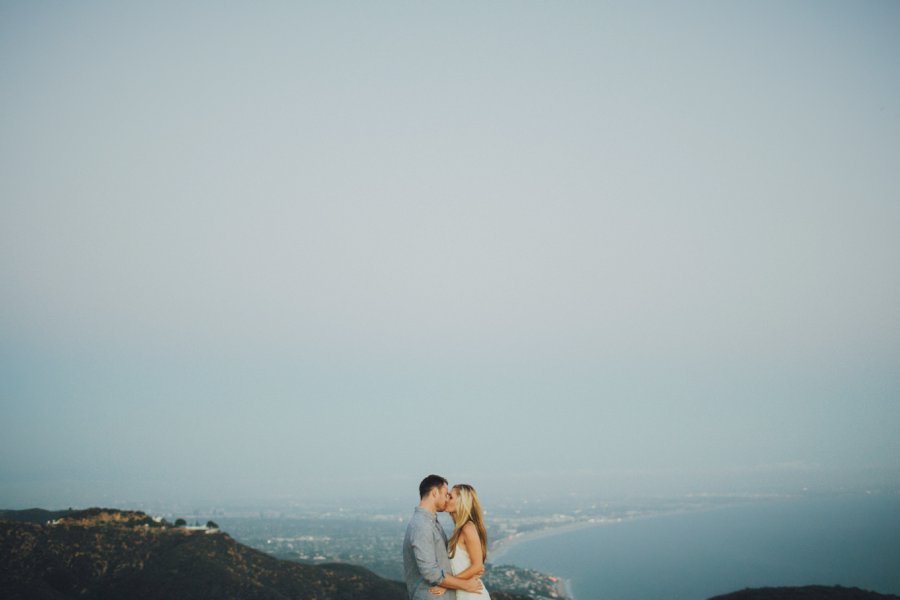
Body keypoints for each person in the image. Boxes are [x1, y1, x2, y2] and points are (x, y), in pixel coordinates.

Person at [403, 475, 484, 600]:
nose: (447, 498)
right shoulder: (422, 525)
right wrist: (464, 584)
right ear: (435, 493)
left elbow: (471, 564)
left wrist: (473, 569)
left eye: (450, 496)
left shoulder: (433, 523)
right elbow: (430, 573)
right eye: (446, 494)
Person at [429, 483, 491, 599]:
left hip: (472, 595)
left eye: (450, 497)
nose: (446, 499)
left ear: (462, 502)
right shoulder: (460, 529)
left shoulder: (467, 528)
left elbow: (477, 566)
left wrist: (447, 585)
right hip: (464, 593)